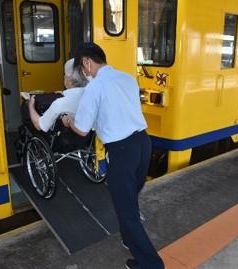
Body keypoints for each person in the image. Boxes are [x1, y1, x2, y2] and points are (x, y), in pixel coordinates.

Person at [64, 42, 165, 269]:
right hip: (143, 143)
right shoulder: (127, 78)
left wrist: (67, 120)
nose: (84, 72)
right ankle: (130, 239)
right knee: (130, 200)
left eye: (82, 68)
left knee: (126, 210)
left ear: (87, 63)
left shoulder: (95, 87)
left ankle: (152, 265)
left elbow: (81, 129)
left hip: (121, 151)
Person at [26, 58, 87, 132]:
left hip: (62, 141)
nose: (64, 77)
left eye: (65, 75)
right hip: (85, 140)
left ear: (70, 82)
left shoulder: (59, 104)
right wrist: (64, 94)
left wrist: (30, 105)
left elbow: (38, 125)